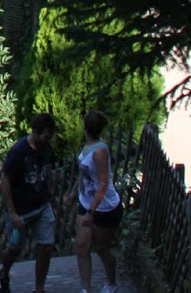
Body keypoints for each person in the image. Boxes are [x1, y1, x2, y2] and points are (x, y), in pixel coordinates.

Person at [0, 112, 56, 293]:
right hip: (20, 210)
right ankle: (4, 272)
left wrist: (50, 193)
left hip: (41, 205)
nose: (48, 139)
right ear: (35, 132)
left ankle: (39, 289)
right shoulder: (18, 151)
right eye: (45, 136)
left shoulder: (46, 147)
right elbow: (5, 180)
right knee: (15, 248)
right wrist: (12, 213)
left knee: (46, 247)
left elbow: (48, 170)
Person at [65, 109, 122, 293]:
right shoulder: (87, 146)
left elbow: (103, 184)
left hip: (104, 207)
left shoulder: (99, 151)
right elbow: (83, 172)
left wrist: (91, 212)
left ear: (86, 127)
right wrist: (74, 192)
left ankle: (111, 283)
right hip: (85, 201)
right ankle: (86, 289)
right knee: (82, 246)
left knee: (102, 249)